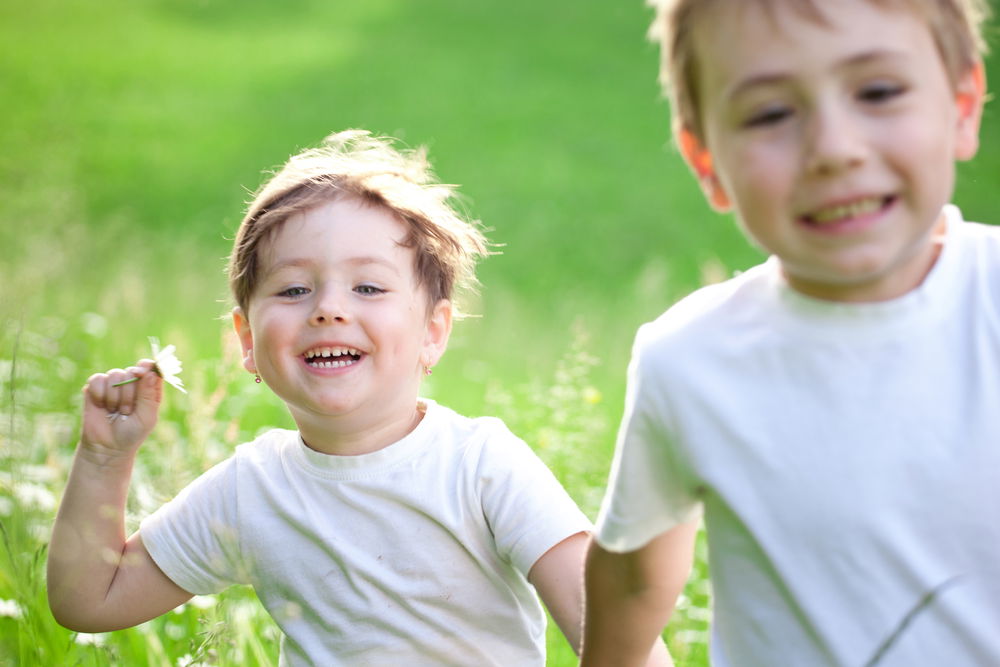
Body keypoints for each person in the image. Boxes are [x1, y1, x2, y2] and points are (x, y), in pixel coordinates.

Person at [47, 130, 596, 665]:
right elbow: (91, 601)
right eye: (293, 290)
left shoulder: (480, 466)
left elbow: (610, 625)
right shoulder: (252, 490)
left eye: (368, 287)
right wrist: (104, 458)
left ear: (433, 332)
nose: (328, 308)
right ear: (248, 342)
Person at [581, 0, 999, 665]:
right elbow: (633, 577)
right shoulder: (689, 363)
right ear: (706, 159)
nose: (834, 148)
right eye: (770, 114)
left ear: (962, 105)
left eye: (879, 91)